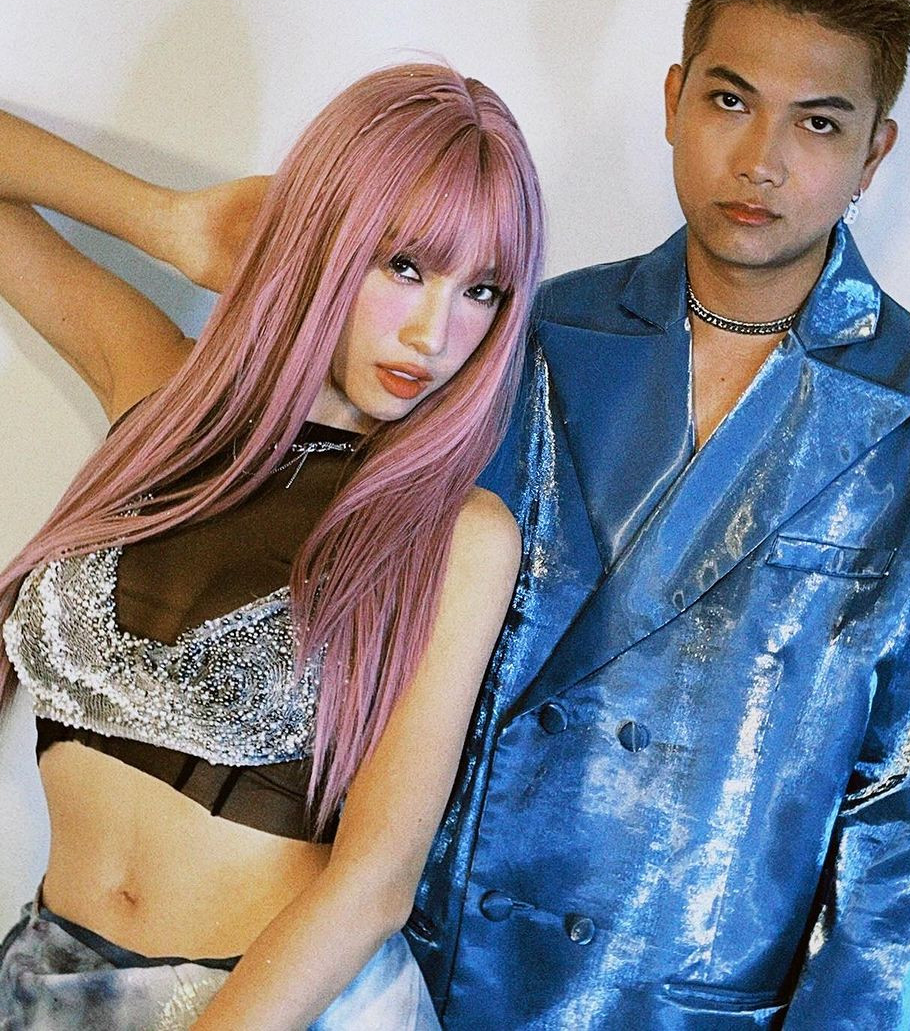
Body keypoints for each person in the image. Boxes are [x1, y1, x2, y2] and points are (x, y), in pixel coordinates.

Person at [404, 0, 910, 1028]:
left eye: (818, 123)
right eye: (729, 101)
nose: (761, 161)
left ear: (873, 151)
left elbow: (899, 832)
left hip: (683, 1008)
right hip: (427, 969)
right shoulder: (520, 337)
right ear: (673, 100)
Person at [0, 63, 545, 1029]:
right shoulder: (156, 396)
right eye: (405, 266)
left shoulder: (458, 535)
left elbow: (375, 884)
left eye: (483, 291)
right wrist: (170, 224)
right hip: (46, 985)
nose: (435, 333)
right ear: (326, 240)